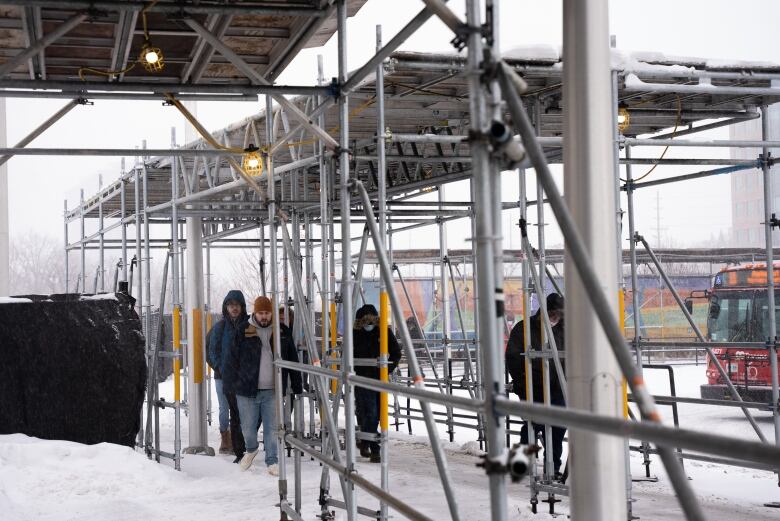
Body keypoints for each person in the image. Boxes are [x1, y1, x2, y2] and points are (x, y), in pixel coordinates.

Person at [233, 296, 302, 475]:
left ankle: (272, 460)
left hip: (273, 390)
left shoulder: (282, 332)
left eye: (267, 313)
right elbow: (231, 359)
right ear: (254, 312)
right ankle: (251, 448)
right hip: (247, 390)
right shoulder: (243, 330)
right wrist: (231, 384)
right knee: (247, 428)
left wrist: (297, 384)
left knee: (272, 429)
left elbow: (292, 359)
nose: (264, 317)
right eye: (260, 313)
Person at [505, 293, 566, 479]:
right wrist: (523, 385)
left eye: (560, 314)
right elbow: (513, 359)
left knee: (557, 428)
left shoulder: (566, 329)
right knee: (533, 425)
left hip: (559, 388)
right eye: (554, 313)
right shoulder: (525, 328)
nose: (557, 317)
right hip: (534, 388)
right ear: (545, 311)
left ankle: (552, 467)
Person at [353, 304, 402, 462]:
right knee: (369, 412)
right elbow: (347, 353)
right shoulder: (356, 333)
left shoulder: (383, 331)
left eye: (371, 321)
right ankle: (374, 448)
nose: (369, 325)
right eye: (365, 322)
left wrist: (386, 369)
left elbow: (396, 352)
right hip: (361, 378)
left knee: (376, 413)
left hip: (379, 378)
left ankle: (365, 441)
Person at [206, 290, 247, 463]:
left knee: (242, 410)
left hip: (243, 376)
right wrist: (221, 368)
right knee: (225, 408)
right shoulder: (220, 327)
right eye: (230, 305)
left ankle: (242, 441)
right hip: (222, 376)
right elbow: (212, 350)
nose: (234, 308)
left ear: (242, 307)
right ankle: (225, 438)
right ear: (226, 307)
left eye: (237, 305)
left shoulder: (249, 325)